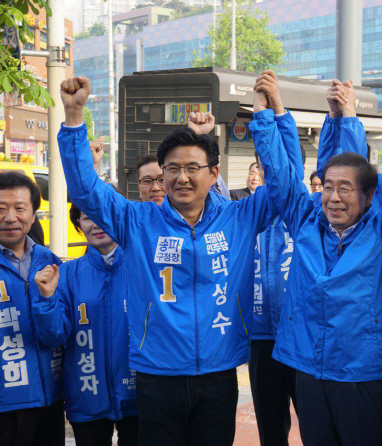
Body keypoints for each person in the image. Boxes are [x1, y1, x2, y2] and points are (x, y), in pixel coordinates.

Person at [57, 75, 274, 446]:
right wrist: (75, 116)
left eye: (192, 168)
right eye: (172, 168)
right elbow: (84, 191)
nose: (181, 178)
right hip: (155, 376)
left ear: (213, 174)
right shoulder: (136, 221)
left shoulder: (240, 217)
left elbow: (284, 186)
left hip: (220, 375)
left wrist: (265, 119)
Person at [250, 73, 382, 445]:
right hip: (310, 372)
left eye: (345, 189)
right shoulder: (306, 220)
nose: (333, 197)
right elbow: (281, 176)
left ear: (369, 196)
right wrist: (265, 116)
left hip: (363, 374)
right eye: (327, 186)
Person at [31, 198, 138, 446]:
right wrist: (46, 299)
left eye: (103, 215)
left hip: (140, 394)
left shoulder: (142, 267)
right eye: (87, 217)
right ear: (78, 224)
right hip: (87, 394)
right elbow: (54, 336)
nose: (96, 223)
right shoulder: (67, 274)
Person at [247, 71, 304, 446]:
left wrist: (277, 109)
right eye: (259, 171)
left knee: (315, 423)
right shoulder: (244, 215)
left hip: (299, 333)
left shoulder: (304, 214)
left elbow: (290, 170)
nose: (265, 177)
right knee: (271, 429)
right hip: (260, 338)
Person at [0, 172, 64, 446]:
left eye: (20, 208)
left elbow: (57, 335)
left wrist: (47, 299)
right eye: (1, 209)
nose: (10, 217)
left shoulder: (48, 261)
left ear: (34, 214)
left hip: (48, 398)